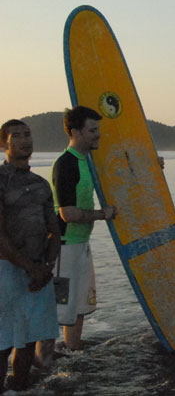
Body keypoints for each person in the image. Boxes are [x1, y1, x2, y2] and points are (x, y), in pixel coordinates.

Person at [39, 106, 117, 359]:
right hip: (62, 250)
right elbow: (68, 214)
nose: (98, 135)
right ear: (75, 132)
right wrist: (101, 214)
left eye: (98, 130)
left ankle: (72, 355)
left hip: (81, 244)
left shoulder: (89, 162)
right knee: (58, 310)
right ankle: (43, 364)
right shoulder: (66, 164)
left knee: (79, 307)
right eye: (92, 130)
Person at [0, 120, 60, 391]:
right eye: (16, 136)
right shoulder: (1, 181)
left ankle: (21, 387)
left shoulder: (41, 184)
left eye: (28, 134)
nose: (24, 140)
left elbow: (54, 230)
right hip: (7, 271)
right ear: (4, 144)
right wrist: (29, 268)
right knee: (4, 340)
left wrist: (47, 267)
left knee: (31, 337)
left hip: (39, 272)